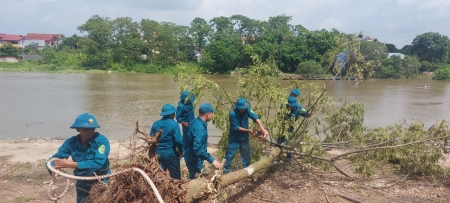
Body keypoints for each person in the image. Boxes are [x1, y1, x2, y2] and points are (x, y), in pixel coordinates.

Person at [47, 113, 111, 203]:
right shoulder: (70, 143)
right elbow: (54, 159)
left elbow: (98, 163)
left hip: (101, 181)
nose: (89, 131)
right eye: (85, 129)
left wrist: (72, 164)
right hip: (82, 182)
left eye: (92, 128)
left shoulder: (101, 141)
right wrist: (52, 168)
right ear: (78, 129)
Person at [223, 98, 268, 174]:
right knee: (230, 154)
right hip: (235, 138)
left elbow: (255, 117)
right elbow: (236, 127)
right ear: (238, 108)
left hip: (244, 137)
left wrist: (262, 128)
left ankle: (248, 171)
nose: (244, 110)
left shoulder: (247, 109)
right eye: (242, 109)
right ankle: (225, 171)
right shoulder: (232, 114)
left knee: (246, 154)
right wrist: (249, 130)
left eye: (244, 108)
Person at [183, 103, 223, 179]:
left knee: (197, 176)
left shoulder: (195, 121)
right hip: (194, 159)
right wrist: (212, 160)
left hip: (190, 155)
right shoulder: (200, 129)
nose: (212, 115)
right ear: (207, 114)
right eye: (212, 113)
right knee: (196, 179)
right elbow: (197, 148)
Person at [150, 104, 184, 180]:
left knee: (158, 176)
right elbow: (178, 141)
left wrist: (152, 152)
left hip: (158, 153)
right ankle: (176, 190)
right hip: (170, 153)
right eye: (173, 114)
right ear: (172, 114)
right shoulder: (174, 124)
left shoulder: (155, 124)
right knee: (176, 177)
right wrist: (181, 150)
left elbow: (151, 140)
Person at [277, 96, 311, 160]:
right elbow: (278, 116)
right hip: (282, 126)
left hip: (290, 128)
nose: (291, 107)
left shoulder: (298, 108)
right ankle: (277, 154)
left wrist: (309, 114)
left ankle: (289, 157)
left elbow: (306, 113)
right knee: (279, 140)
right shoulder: (283, 106)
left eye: (293, 106)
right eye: (290, 105)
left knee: (288, 141)